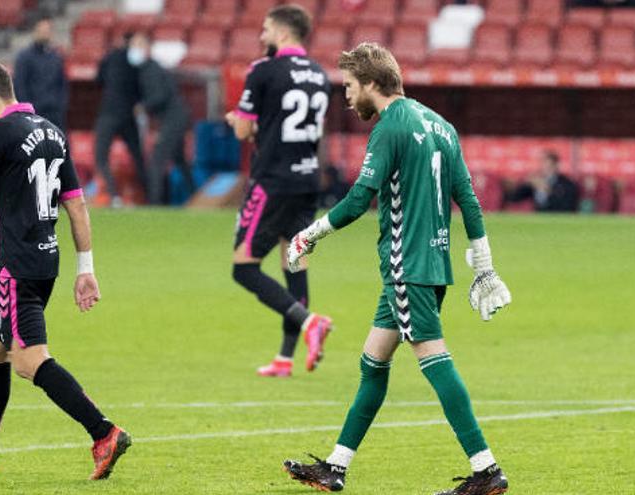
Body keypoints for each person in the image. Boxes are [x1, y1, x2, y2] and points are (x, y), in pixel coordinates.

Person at [283, 42, 512, 495]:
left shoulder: (389, 128)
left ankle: (486, 470)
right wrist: (482, 263)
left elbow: (356, 201)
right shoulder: (441, 125)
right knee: (373, 363)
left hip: (406, 267)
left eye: (349, 86)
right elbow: (467, 198)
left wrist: (308, 235)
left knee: (434, 359)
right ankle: (336, 466)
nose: (346, 96)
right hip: (430, 265)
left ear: (371, 83)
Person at [0, 60, 130, 480]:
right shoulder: (51, 131)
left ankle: (104, 433)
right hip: (46, 260)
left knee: (28, 361)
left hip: (14, 267)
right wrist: (87, 268)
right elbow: (77, 204)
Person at [223, 4, 334, 378]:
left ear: (283, 33)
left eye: (266, 29)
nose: (261, 35)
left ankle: (309, 322)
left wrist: (238, 122)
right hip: (307, 180)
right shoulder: (320, 75)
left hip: (272, 180)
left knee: (244, 268)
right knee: (294, 261)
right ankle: (286, 358)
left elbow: (244, 131)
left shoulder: (263, 70)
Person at [128, 32, 195, 205]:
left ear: (148, 48)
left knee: (157, 161)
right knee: (179, 160)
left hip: (173, 118)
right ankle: (195, 197)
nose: (134, 49)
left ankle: (154, 204)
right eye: (133, 45)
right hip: (176, 117)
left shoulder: (151, 70)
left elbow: (160, 96)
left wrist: (143, 106)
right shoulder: (147, 69)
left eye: (139, 45)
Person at [94, 33, 148, 207]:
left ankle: (113, 194)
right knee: (138, 157)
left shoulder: (110, 57)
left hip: (109, 112)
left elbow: (98, 79)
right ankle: (151, 197)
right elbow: (142, 88)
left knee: (101, 156)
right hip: (127, 114)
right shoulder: (137, 63)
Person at [13, 15, 69, 130]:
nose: (45, 33)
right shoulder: (24, 57)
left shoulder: (56, 57)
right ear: (34, 31)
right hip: (33, 114)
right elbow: (20, 86)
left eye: (48, 30)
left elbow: (62, 84)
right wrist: (28, 110)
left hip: (55, 114)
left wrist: (60, 105)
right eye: (42, 30)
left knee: (61, 146)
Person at [501, 150, 579, 212]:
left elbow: (568, 206)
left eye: (549, 165)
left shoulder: (566, 184)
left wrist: (547, 190)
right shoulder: (536, 181)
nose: (545, 168)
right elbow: (514, 198)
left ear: (556, 165)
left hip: (557, 219)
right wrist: (523, 184)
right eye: (543, 164)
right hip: (539, 219)